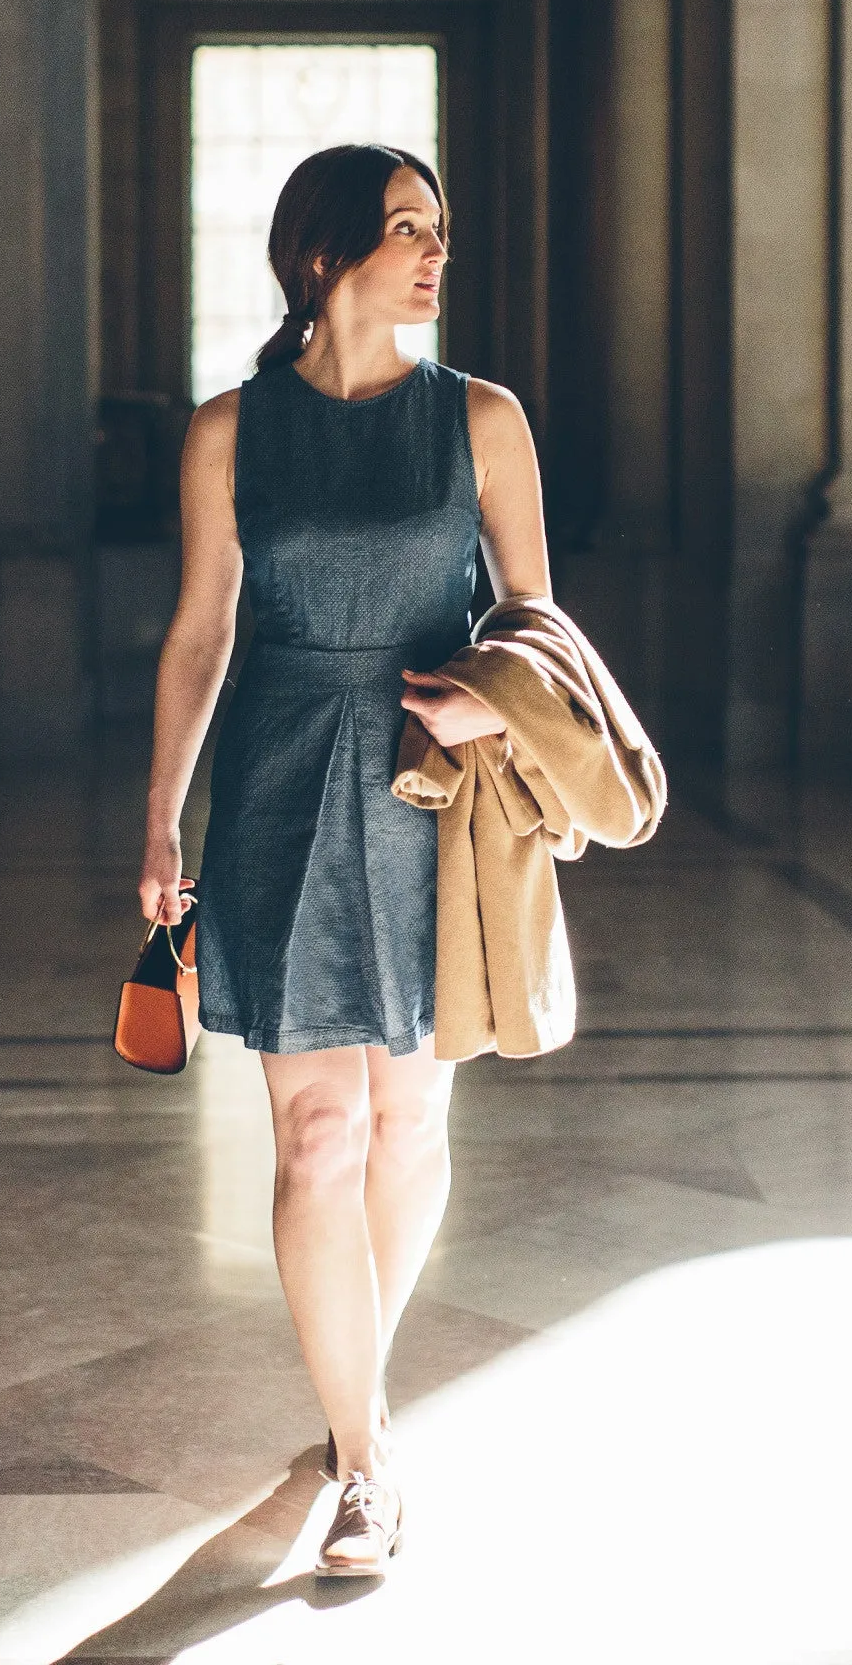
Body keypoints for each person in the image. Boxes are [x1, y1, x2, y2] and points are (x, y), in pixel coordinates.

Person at [138, 142, 552, 1576]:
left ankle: (351, 1392)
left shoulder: (483, 419)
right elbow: (201, 632)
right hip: (274, 782)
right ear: (324, 257)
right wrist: (157, 821)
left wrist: (480, 692)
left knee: (411, 1124)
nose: (435, 256)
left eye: (439, 229)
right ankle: (367, 1462)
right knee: (317, 1131)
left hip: (434, 787)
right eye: (404, 232)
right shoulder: (228, 431)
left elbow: (536, 623)